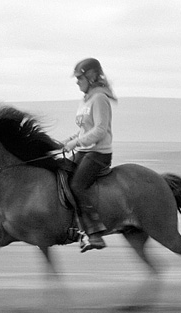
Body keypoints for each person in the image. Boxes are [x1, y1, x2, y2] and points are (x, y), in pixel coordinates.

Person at [63, 58, 117, 253]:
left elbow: (100, 130)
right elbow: (84, 130)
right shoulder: (85, 100)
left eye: (79, 77)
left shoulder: (100, 99)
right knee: (62, 176)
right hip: (85, 151)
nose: (77, 81)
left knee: (77, 184)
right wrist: (67, 141)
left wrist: (76, 143)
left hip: (99, 154)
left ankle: (94, 233)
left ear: (91, 77)